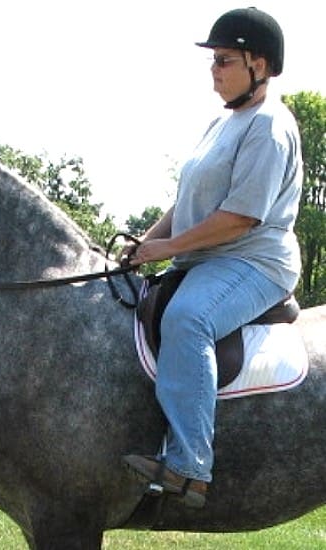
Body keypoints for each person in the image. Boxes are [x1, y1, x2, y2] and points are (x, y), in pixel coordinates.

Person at [122, 7, 303, 508]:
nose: (214, 70)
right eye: (214, 60)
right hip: (206, 258)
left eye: (224, 60)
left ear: (259, 65)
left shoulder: (269, 126)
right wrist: (145, 244)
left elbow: (239, 217)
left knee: (188, 319)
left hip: (253, 262)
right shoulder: (223, 123)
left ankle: (189, 466)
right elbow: (186, 206)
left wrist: (168, 249)